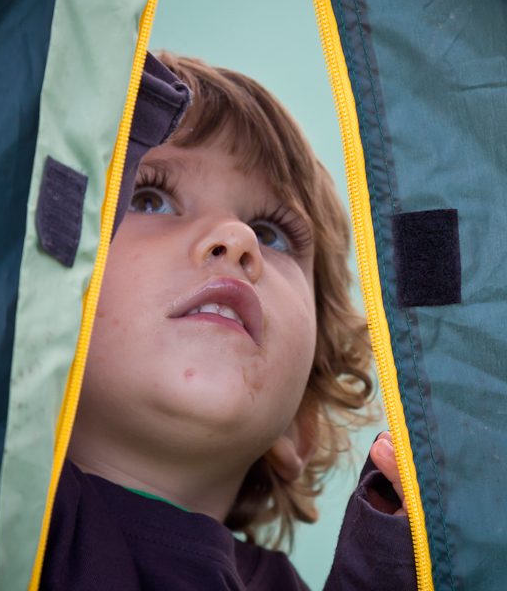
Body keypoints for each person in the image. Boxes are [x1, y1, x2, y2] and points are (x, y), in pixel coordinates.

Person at [40, 52, 417, 590]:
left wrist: (399, 551)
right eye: (149, 197)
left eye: (270, 234)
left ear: (298, 425)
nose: (235, 239)